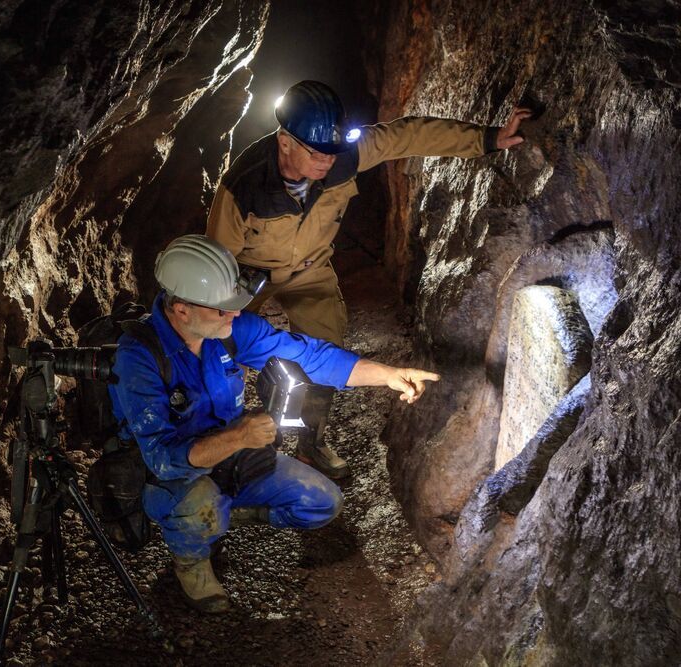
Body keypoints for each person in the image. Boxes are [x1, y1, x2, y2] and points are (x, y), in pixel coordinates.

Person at [206, 80, 530, 479]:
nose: (327, 162)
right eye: (316, 153)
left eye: (333, 152)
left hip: (310, 270)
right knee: (217, 347)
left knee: (325, 344)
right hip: (248, 277)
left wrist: (489, 138)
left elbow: (408, 135)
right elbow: (215, 263)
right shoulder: (244, 187)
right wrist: (218, 317)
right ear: (285, 141)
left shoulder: (344, 156)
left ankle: (311, 442)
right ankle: (226, 441)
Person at [108, 235, 439, 613]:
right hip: (171, 474)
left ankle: (219, 516)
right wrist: (238, 436)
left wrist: (387, 374)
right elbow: (163, 459)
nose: (235, 316)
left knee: (321, 502)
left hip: (231, 454)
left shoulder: (227, 330)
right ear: (182, 310)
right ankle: (192, 559)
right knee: (199, 503)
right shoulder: (138, 360)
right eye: (223, 309)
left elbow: (309, 356)